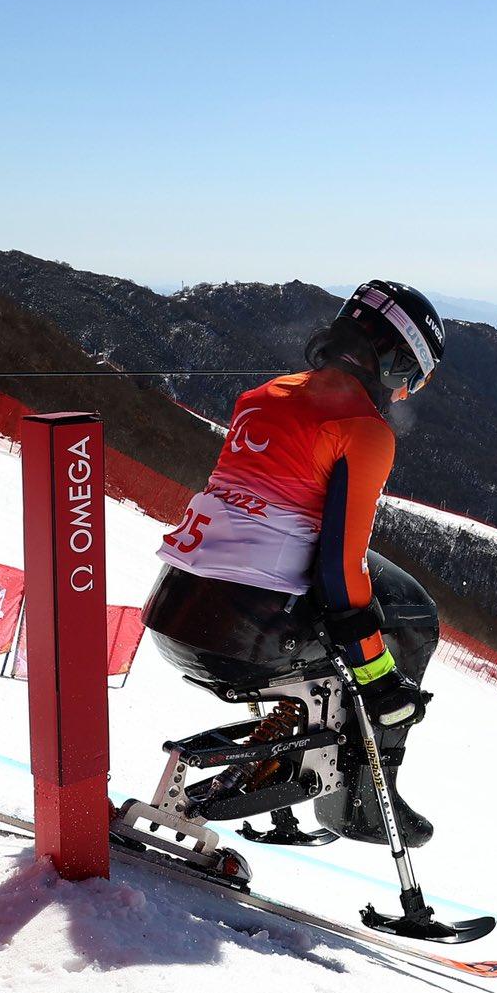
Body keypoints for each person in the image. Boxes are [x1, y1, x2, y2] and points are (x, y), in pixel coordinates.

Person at [141, 281, 448, 846]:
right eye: (410, 382)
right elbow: (339, 571)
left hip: (174, 610)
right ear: (395, 361)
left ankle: (292, 743)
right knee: (409, 614)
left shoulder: (262, 395)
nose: (401, 397)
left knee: (371, 599)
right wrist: (381, 680)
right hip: (245, 634)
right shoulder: (365, 431)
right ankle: (360, 801)